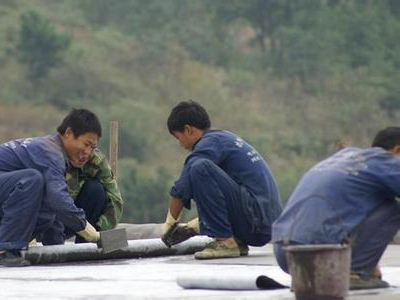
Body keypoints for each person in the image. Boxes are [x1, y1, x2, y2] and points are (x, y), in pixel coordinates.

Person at [0, 108, 123, 267]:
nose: (88, 153)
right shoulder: (50, 152)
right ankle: (3, 250)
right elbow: (60, 200)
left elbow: (53, 210)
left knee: (44, 215)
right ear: (68, 133)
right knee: (32, 179)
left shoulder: (60, 155)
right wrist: (91, 233)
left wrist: (58, 253)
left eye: (93, 148)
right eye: (86, 144)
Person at [272, 127, 400, 289]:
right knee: (392, 209)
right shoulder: (386, 161)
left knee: (374, 202)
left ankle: (357, 268)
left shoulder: (343, 158)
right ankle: (355, 272)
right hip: (319, 254)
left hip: (286, 255)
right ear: (397, 150)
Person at [160, 100, 282, 259]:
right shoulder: (222, 140)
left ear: (188, 130)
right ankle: (236, 241)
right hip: (264, 225)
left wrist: (169, 224)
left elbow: (182, 188)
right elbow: (223, 198)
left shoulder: (208, 144)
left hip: (256, 220)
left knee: (198, 167)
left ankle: (226, 242)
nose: (181, 145)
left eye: (178, 138)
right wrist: (192, 228)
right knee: (200, 169)